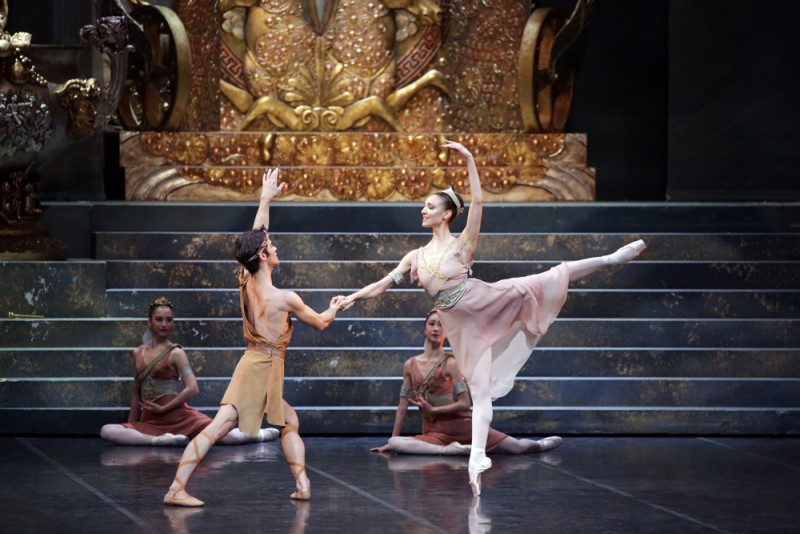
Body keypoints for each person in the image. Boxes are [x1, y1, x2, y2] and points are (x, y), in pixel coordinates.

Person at [338, 140, 646, 495]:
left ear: (446, 214)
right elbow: (382, 284)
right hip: (464, 328)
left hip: (485, 302)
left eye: (429, 206)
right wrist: (352, 297)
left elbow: (480, 203)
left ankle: (610, 260)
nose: (422, 210)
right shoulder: (414, 256)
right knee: (480, 394)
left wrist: (469, 159)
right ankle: (476, 460)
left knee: (545, 278)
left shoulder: (462, 244)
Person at [163, 169, 345, 507]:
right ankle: (176, 489)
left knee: (289, 420)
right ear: (262, 256)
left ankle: (303, 484)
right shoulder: (284, 298)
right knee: (219, 427)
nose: (275, 247)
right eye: (271, 246)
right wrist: (336, 306)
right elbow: (320, 322)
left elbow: (256, 237)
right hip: (259, 367)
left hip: (260, 365)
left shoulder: (246, 282)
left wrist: (265, 198)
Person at [370, 309, 563, 456]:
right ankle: (451, 450)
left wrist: (434, 410)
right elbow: (402, 405)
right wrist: (391, 441)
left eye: (441, 325)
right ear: (425, 327)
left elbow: (465, 404)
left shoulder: (451, 363)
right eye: (432, 324)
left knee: (518, 448)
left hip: (460, 425)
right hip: (434, 431)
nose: (436, 329)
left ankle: (541, 444)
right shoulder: (410, 364)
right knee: (396, 443)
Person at [100, 297, 279, 446]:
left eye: (168, 320)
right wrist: (133, 423)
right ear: (150, 321)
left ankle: (259, 434)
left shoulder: (176, 353)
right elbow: (136, 393)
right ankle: (158, 440)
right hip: (151, 419)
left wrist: (164, 408)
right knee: (107, 430)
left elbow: (192, 388)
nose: (164, 324)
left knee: (224, 437)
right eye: (159, 319)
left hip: (177, 415)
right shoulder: (137, 352)